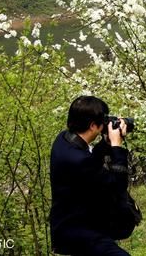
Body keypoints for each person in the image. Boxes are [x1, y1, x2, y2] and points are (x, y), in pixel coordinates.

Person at [50, 96, 131, 256]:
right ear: (93, 126)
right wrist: (116, 146)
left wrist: (106, 143)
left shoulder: (64, 139)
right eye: (103, 121)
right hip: (78, 231)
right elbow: (118, 185)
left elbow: (90, 163)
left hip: (68, 224)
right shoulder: (78, 160)